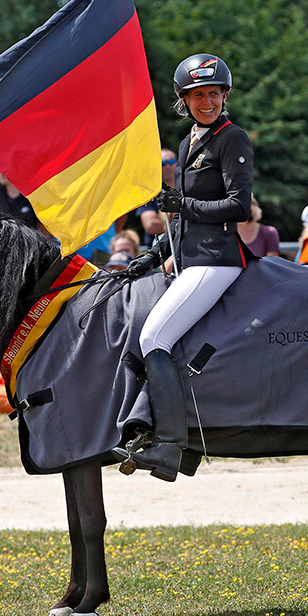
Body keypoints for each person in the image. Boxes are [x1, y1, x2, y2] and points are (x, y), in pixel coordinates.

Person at [120, 53, 254, 482]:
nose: (207, 102)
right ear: (184, 99)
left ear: (224, 96)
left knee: (153, 336)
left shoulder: (232, 138)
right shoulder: (188, 142)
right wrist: (156, 252)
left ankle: (169, 448)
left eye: (214, 94)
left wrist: (184, 204)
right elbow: (181, 218)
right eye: (198, 95)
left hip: (216, 261)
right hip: (187, 258)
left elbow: (240, 207)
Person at [136, 149, 176, 246]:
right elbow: (150, 225)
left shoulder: (187, 189)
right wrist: (181, 226)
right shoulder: (149, 193)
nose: (167, 166)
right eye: (162, 163)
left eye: (171, 162)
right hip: (158, 251)